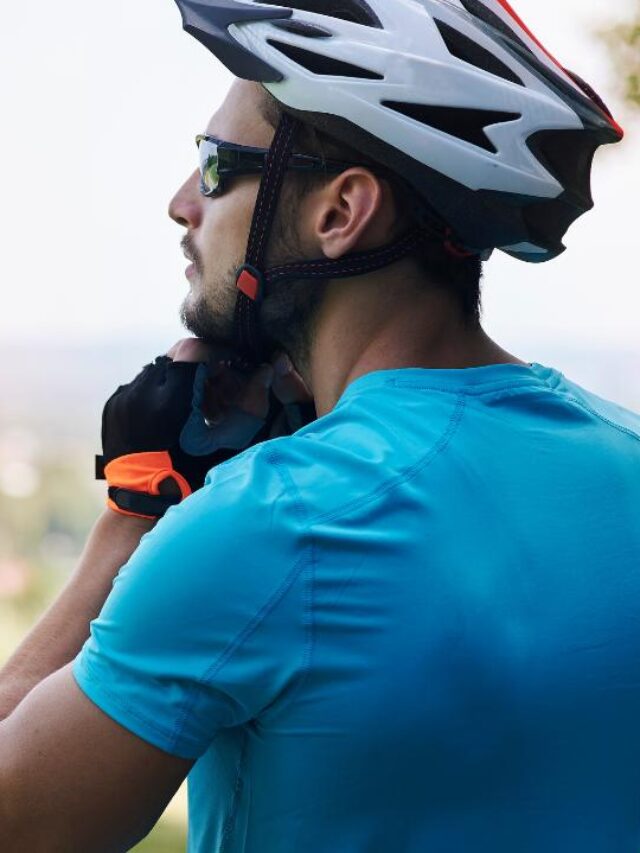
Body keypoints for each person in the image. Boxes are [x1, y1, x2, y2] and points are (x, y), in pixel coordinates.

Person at [1, 1, 639, 850]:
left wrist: (135, 512)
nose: (182, 203)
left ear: (340, 213)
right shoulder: (627, 456)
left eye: (218, 165)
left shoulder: (272, 523)